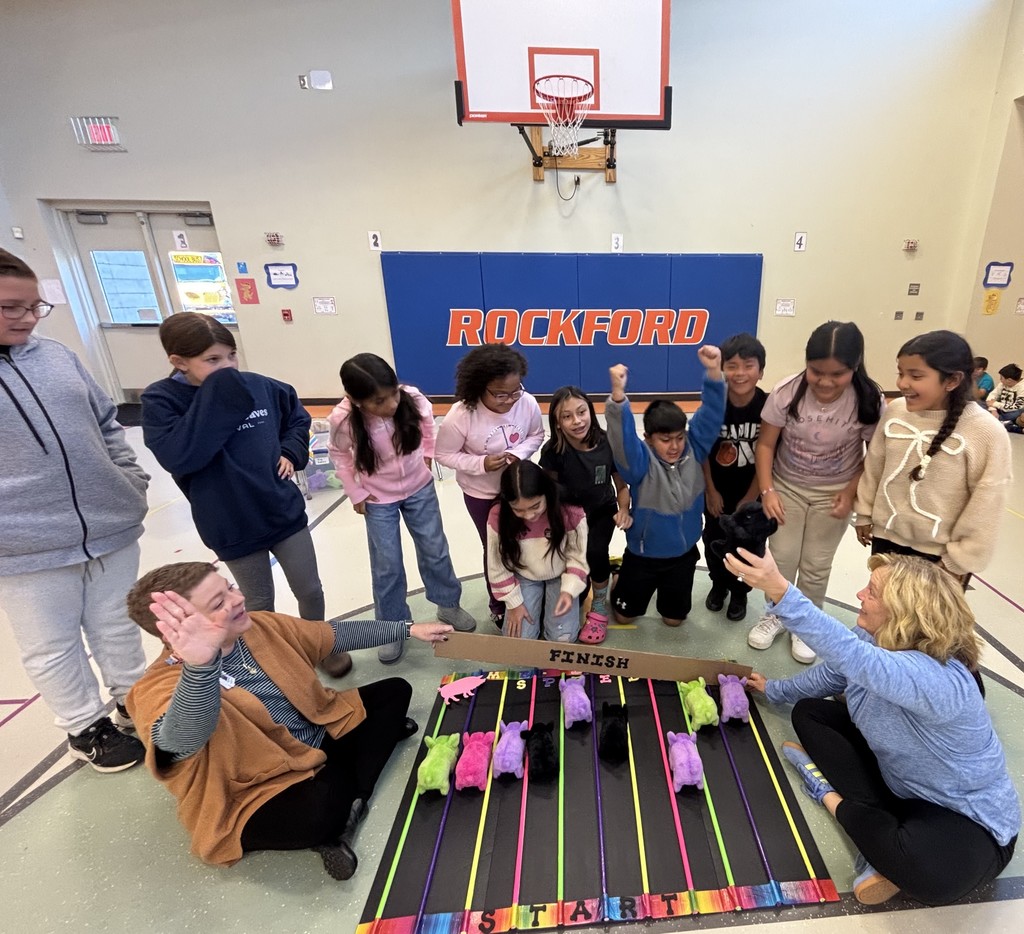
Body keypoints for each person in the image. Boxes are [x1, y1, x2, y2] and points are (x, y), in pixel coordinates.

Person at [725, 546, 1019, 907]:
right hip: (901, 784)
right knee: (808, 713)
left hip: (965, 819)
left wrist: (781, 590)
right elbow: (833, 672)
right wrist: (773, 689)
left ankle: (828, 795)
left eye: (872, 592)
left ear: (903, 612)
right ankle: (882, 843)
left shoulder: (940, 677)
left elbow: (855, 658)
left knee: (935, 881)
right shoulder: (873, 636)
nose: (859, 596)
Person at [124, 561, 452, 879]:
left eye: (230, 588)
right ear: (179, 626)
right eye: (219, 601)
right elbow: (177, 744)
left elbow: (330, 635)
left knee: (394, 691)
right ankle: (352, 788)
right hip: (259, 786)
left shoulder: (258, 627)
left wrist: (407, 629)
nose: (238, 599)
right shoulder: (156, 686)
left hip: (315, 735)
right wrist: (200, 668)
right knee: (318, 810)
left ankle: (350, 798)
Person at [0, 248, 148, 772]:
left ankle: (137, 700)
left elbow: (107, 422)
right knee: (51, 643)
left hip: (109, 524)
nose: (25, 318)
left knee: (116, 623)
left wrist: (130, 481)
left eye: (34, 306)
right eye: (10, 307)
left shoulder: (57, 356)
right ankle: (86, 726)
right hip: (24, 547)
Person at [141, 314, 348, 676]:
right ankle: (268, 664)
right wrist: (215, 396)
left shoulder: (258, 386)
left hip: (281, 511)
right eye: (212, 360)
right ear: (179, 362)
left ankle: (320, 646)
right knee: (256, 604)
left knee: (310, 589)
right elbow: (180, 455)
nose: (227, 367)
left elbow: (296, 417)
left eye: (231, 356)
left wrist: (290, 451)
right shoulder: (163, 401)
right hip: (231, 523)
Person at [328, 353, 476, 664]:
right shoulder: (342, 420)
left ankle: (447, 603)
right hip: (378, 498)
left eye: (393, 392)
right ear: (355, 401)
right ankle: (392, 628)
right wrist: (355, 492)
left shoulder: (411, 398)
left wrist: (428, 453)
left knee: (435, 549)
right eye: (379, 401)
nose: (392, 404)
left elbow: (426, 424)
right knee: (388, 565)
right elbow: (339, 455)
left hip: (418, 488)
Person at [750, 321, 883, 664]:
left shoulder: (868, 399)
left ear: (854, 367)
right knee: (782, 556)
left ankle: (806, 626)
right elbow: (765, 444)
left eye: (837, 374)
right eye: (816, 371)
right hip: (787, 487)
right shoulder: (787, 392)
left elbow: (874, 453)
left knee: (816, 564)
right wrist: (767, 490)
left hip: (834, 493)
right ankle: (776, 614)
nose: (825, 381)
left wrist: (852, 490)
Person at [855, 331, 1010, 585]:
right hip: (888, 541)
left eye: (915, 376)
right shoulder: (896, 412)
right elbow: (874, 467)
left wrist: (958, 561)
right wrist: (864, 512)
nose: (903, 383)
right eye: (900, 372)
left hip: (941, 556)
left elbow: (987, 503)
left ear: (952, 380)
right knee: (885, 616)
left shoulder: (985, 431)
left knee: (926, 623)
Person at [605, 347, 726, 629]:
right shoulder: (640, 463)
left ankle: (667, 599)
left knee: (674, 621)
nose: (674, 446)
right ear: (648, 439)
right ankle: (618, 578)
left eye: (678, 437)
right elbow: (621, 441)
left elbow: (711, 414)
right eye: (664, 439)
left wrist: (713, 372)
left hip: (682, 556)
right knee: (624, 616)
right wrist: (618, 397)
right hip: (643, 555)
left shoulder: (694, 449)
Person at [435, 345, 544, 628]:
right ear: (480, 388)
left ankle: (528, 595)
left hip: (518, 490)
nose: (509, 400)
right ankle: (498, 604)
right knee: (494, 548)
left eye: (515, 391)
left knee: (525, 542)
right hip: (481, 493)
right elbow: (444, 455)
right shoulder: (461, 415)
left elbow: (536, 435)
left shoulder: (527, 402)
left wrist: (517, 454)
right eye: (500, 394)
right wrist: (481, 464)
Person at [539, 386, 631, 644]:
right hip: (568, 517)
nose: (577, 421)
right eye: (567, 416)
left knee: (594, 552)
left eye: (581, 412)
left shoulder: (607, 442)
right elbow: (547, 492)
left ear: (590, 411)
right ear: (557, 422)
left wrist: (623, 509)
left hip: (602, 512)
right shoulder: (552, 452)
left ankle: (600, 605)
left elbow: (622, 486)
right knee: (572, 569)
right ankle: (595, 579)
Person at [701, 333, 768, 622]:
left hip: (752, 493)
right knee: (714, 540)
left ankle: (739, 592)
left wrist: (752, 496)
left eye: (748, 365)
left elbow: (770, 454)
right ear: (723, 369)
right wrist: (710, 490)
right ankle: (718, 585)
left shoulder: (769, 407)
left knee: (749, 547)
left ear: (761, 370)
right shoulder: (715, 405)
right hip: (718, 490)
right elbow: (702, 448)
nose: (740, 373)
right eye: (732, 365)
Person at [486, 460, 589, 642]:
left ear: (547, 493)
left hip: (561, 574)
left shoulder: (569, 510)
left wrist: (569, 589)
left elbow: (577, 557)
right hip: (524, 575)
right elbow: (497, 565)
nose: (529, 516)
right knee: (518, 644)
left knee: (562, 639)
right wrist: (513, 602)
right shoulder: (498, 515)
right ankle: (538, 611)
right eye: (518, 510)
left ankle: (548, 612)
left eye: (535, 506)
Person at [985, 363, 1024, 430]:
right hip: (1001, 409)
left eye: (1001, 378)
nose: (1000, 380)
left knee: (1015, 413)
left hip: (1013, 411)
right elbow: (991, 396)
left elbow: (1017, 407)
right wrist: (993, 409)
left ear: (1009, 380)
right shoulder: (1002, 384)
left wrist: (995, 404)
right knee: (981, 405)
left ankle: (999, 422)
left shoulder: (1022, 387)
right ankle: (1006, 423)